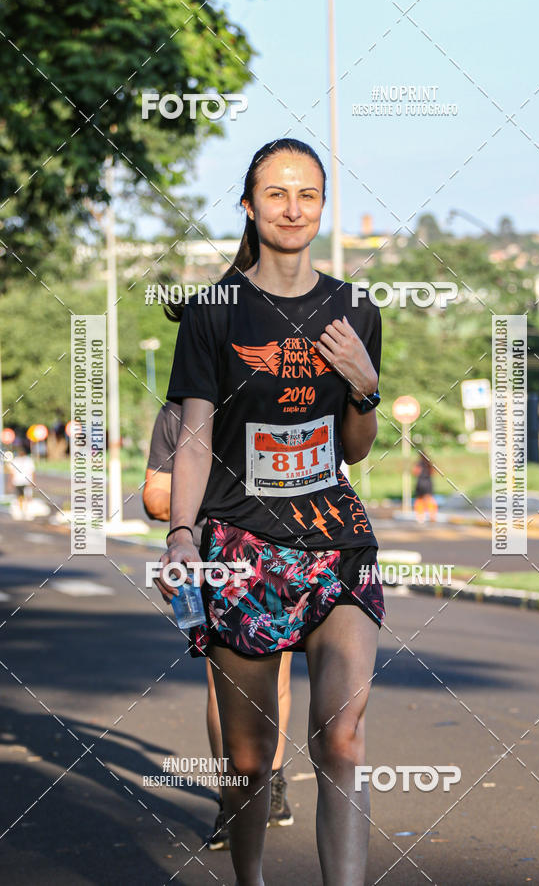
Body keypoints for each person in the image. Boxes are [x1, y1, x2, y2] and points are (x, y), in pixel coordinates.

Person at [155, 137, 385, 886]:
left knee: (342, 738)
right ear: (250, 206)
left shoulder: (355, 306)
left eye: (308, 193)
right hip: (242, 548)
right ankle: (250, 879)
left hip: (335, 542)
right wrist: (183, 536)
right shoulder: (215, 313)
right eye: (277, 193)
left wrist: (364, 383)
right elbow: (192, 441)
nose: (294, 207)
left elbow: (354, 449)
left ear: (323, 205)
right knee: (250, 762)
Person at [143, 401, 294, 849]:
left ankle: (273, 783)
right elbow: (154, 498)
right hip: (211, 560)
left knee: (278, 677)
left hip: (275, 552)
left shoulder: (277, 395)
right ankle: (234, 798)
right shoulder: (178, 412)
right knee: (222, 685)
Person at [8, 444, 35, 520]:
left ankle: (26, 512)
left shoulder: (28, 460)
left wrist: (32, 481)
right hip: (19, 481)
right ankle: (22, 511)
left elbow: (32, 471)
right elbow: (12, 473)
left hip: (25, 481)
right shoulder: (17, 460)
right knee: (20, 497)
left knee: (26, 497)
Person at [412, 450, 438, 523]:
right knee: (429, 499)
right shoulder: (429, 463)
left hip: (420, 483)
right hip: (428, 483)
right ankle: (432, 515)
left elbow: (415, 472)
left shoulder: (418, 463)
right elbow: (433, 472)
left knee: (419, 499)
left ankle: (420, 517)